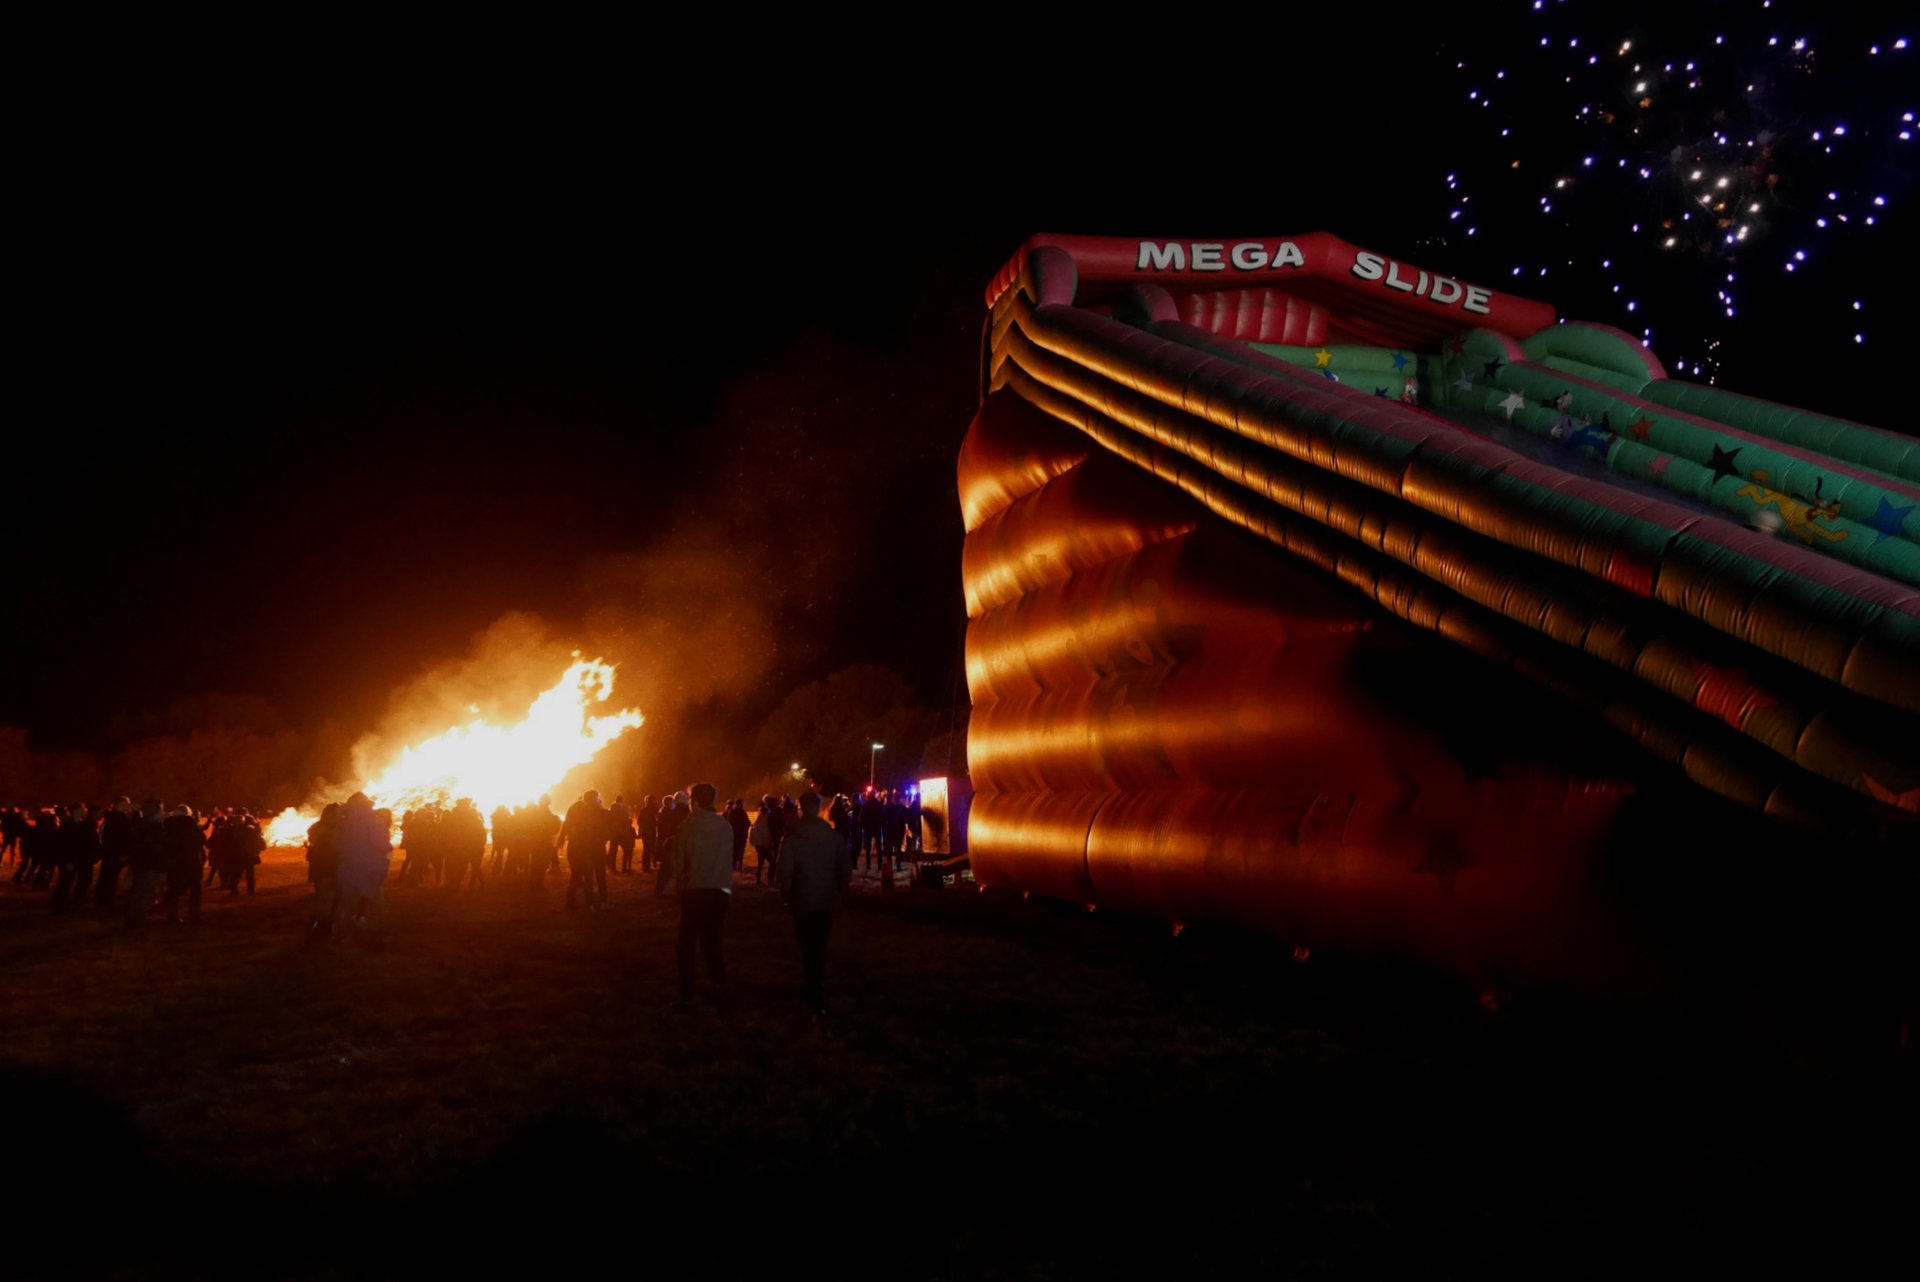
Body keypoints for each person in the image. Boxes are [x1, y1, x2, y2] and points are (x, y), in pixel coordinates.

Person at [778, 791, 852, 1017]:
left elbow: (785, 871)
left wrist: (786, 895)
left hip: (802, 899)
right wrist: (839, 891)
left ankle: (812, 986)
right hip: (826, 898)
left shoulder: (792, 837)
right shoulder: (833, 837)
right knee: (819, 944)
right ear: (819, 808)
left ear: (800, 809)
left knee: (806, 945)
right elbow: (845, 869)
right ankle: (814, 985)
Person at [672, 783, 733, 1008]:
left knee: (686, 943)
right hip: (720, 889)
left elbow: (678, 863)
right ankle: (720, 981)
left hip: (696, 889)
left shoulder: (688, 827)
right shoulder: (725, 825)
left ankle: (687, 991)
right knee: (712, 939)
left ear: (694, 802)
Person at [334, 793, 392, 942]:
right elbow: (383, 845)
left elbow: (338, 846)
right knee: (377, 905)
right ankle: (379, 931)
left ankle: (340, 932)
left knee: (346, 904)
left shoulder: (343, 824)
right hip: (368, 872)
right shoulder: (373, 823)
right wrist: (387, 844)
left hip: (348, 871)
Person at [560, 789, 611, 911]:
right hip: (597, 849)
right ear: (596, 799)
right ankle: (603, 901)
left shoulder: (580, 813)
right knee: (600, 876)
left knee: (588, 877)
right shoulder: (602, 813)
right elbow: (609, 828)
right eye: (598, 797)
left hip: (584, 849)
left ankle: (590, 904)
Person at [123, 799, 168, 927]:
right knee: (146, 893)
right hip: (152, 867)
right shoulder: (155, 829)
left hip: (140, 865)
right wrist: (163, 869)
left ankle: (132, 918)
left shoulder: (140, 826)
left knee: (138, 892)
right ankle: (138, 920)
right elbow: (159, 851)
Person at [160, 805, 207, 924]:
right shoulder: (191, 824)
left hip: (174, 861)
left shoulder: (167, 825)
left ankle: (173, 915)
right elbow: (202, 838)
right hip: (192, 860)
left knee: (175, 889)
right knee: (195, 890)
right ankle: (194, 914)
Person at [609, 794, 636, 874]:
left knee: (613, 851)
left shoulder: (612, 809)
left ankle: (613, 868)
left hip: (614, 833)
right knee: (626, 850)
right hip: (621, 833)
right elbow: (626, 819)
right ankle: (624, 868)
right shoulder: (622, 809)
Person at [725, 798, 750, 876]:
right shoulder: (742, 812)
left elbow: (729, 822)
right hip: (741, 835)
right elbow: (747, 823)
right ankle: (739, 865)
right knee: (741, 850)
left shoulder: (731, 812)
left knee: (734, 850)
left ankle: (733, 865)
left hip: (733, 834)